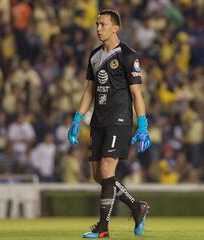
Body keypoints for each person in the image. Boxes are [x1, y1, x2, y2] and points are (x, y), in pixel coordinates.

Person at [67, 9, 151, 238]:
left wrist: (142, 125)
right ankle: (136, 207)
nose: (98, 28)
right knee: (99, 176)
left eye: (103, 24)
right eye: (97, 24)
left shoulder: (127, 55)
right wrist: (76, 119)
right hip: (98, 121)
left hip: (120, 120)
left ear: (115, 28)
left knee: (106, 170)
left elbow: (137, 93)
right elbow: (90, 91)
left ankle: (103, 227)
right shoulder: (94, 56)